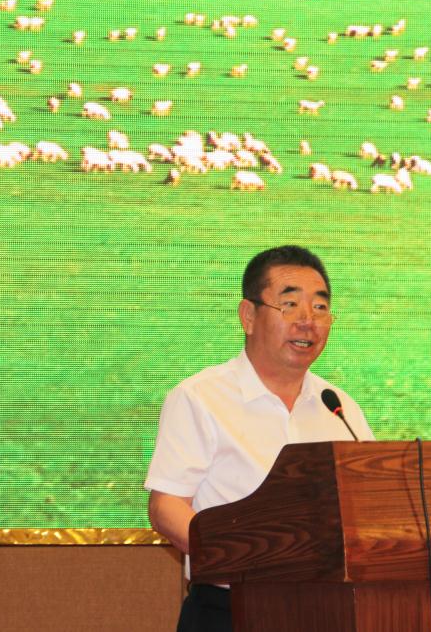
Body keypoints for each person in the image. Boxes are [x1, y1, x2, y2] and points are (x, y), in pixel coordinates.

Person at [145, 245, 374, 632]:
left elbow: (370, 503)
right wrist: (242, 560)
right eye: (290, 305)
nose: (308, 321)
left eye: (320, 308)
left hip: (326, 610)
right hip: (230, 610)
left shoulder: (338, 406)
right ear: (248, 316)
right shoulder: (201, 397)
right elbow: (167, 507)